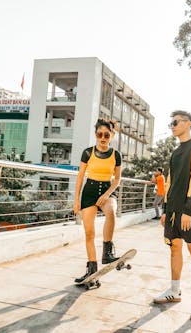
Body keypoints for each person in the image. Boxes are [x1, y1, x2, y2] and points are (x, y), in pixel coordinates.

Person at [153, 110, 191, 321]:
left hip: (188, 210)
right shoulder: (175, 152)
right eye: (171, 123)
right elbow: (169, 182)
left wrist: (189, 209)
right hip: (173, 211)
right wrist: (166, 211)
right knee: (174, 248)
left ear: (188, 124)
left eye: (175, 122)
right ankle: (174, 291)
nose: (172, 126)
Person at [73, 118, 122, 283]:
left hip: (107, 191)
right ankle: (91, 269)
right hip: (89, 192)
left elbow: (117, 180)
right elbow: (80, 177)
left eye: (106, 135)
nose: (103, 138)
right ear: (95, 135)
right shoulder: (87, 152)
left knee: (111, 212)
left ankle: (107, 252)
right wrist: (76, 200)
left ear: (111, 136)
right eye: (100, 134)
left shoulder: (116, 155)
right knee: (89, 233)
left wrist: (107, 194)